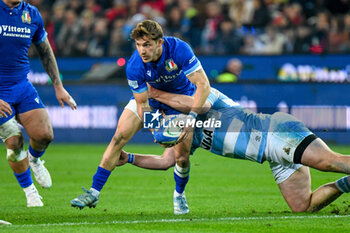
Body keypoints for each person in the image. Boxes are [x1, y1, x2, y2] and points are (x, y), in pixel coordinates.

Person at [118, 86, 350, 213]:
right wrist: (128, 157)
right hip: (270, 155)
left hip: (273, 133)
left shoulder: (202, 95)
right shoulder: (186, 134)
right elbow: (166, 161)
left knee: (330, 163)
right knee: (303, 207)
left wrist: (155, 93)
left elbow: (202, 103)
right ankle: (347, 183)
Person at [70, 20, 211, 215]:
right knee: (118, 137)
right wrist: (156, 129)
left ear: (160, 42)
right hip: (151, 100)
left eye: (147, 45)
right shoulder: (135, 65)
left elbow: (204, 85)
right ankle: (93, 192)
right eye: (138, 45)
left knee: (180, 157)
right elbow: (142, 103)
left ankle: (179, 195)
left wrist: (192, 117)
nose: (142, 50)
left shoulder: (179, 49)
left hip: (178, 101)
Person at [0, 0, 77, 207]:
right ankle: (30, 192)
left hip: (21, 86)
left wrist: (58, 86)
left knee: (44, 135)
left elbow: (45, 50)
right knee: (14, 142)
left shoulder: (31, 14)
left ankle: (34, 159)